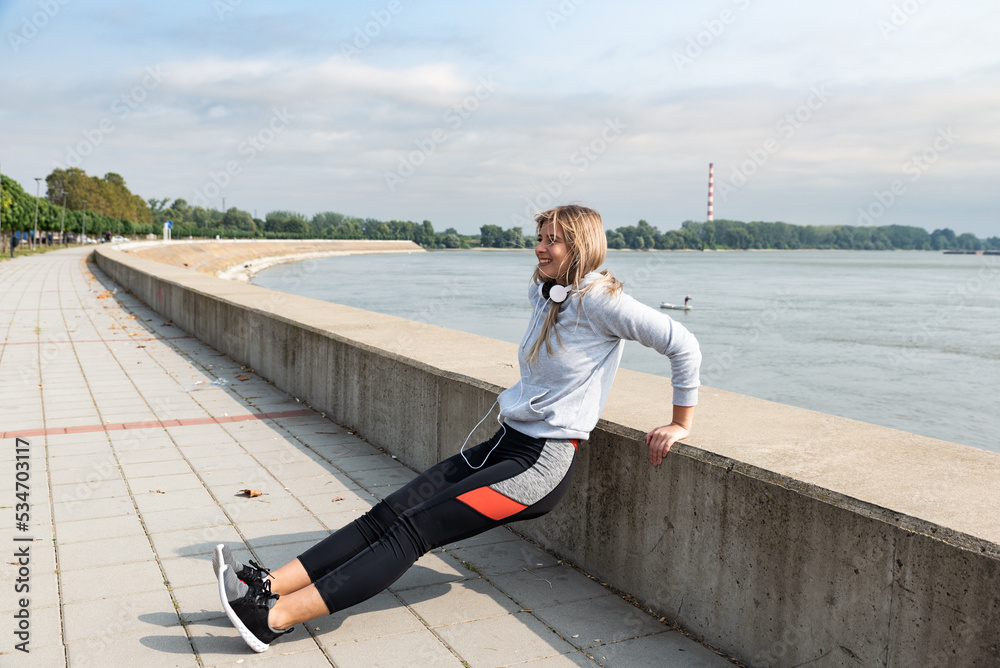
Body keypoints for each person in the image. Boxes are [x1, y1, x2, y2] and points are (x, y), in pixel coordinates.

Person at [214, 204, 702, 652]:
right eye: (539, 236)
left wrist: (680, 422)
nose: (539, 247)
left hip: (540, 466)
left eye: (553, 240)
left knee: (412, 531)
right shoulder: (546, 291)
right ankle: (268, 585)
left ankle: (272, 618)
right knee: (387, 513)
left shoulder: (602, 302)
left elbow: (682, 344)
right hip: (506, 444)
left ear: (581, 247)